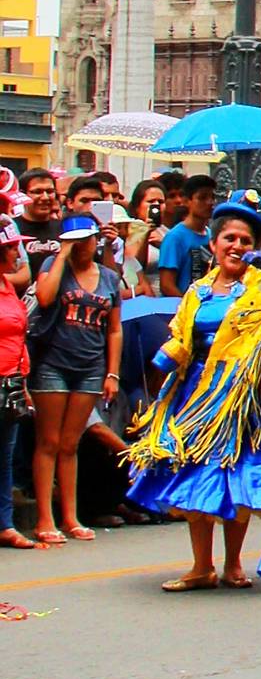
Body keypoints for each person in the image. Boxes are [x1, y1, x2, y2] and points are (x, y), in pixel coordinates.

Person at [123, 194, 261, 585]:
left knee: (234, 475)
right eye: (230, 239)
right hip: (195, 393)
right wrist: (162, 366)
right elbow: (181, 336)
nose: (237, 247)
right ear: (214, 244)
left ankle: (233, 563)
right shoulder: (199, 292)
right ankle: (201, 565)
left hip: (241, 396)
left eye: (245, 240)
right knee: (194, 474)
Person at [25, 212, 122, 545]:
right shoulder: (55, 267)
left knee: (71, 443)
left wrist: (112, 372)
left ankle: (70, 516)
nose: (85, 246)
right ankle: (44, 518)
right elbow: (45, 297)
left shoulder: (109, 277)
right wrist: (62, 254)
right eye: (77, 240)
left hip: (91, 365)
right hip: (53, 362)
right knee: (48, 442)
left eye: (89, 239)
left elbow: (114, 328)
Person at [0, 221, 32, 547]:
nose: (17, 252)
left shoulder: (8, 287)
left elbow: (19, 331)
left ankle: (5, 524)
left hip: (11, 380)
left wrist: (22, 379)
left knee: (5, 456)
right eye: (11, 248)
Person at [155, 174, 218, 295]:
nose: (210, 202)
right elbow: (166, 285)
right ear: (186, 201)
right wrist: (187, 305)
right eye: (202, 198)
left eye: (212, 197)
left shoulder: (210, 234)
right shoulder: (175, 237)